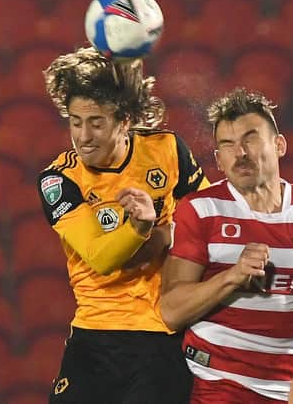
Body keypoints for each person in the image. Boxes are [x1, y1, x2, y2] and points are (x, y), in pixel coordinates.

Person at [37, 46, 209, 404]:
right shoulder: (59, 178)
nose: (83, 136)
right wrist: (145, 229)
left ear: (124, 120)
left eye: (96, 122)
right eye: (75, 121)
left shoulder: (167, 150)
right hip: (93, 336)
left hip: (160, 335)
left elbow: (210, 221)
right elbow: (101, 257)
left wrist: (166, 233)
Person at [160, 88, 293, 404]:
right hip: (215, 382)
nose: (240, 153)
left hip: (288, 389)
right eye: (227, 145)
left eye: (250, 138)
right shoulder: (201, 210)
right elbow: (171, 311)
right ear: (218, 159)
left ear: (279, 145)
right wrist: (232, 276)